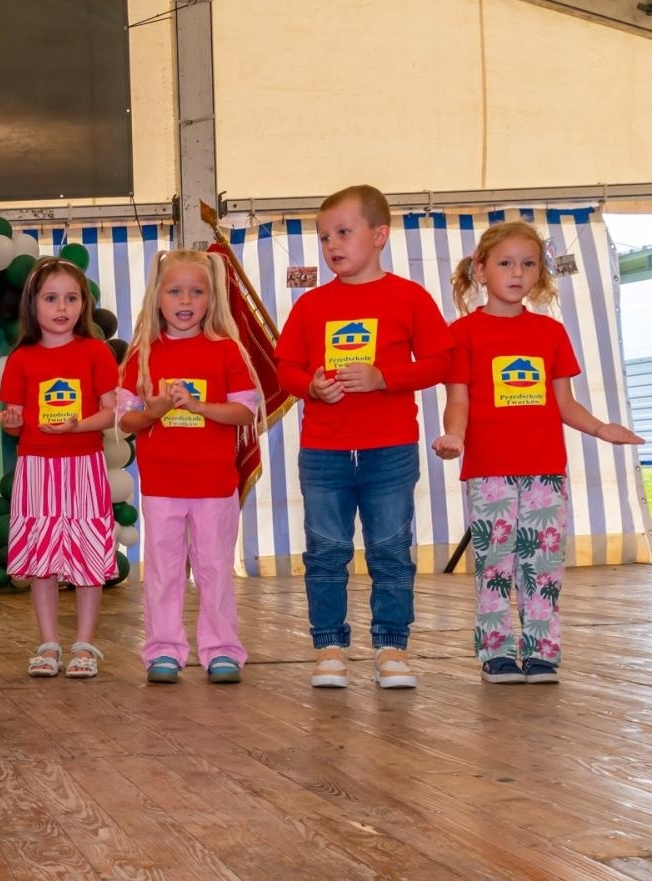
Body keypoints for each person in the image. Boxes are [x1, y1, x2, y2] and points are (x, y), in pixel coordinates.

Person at [433, 221, 643, 683]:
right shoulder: (462, 333)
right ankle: (496, 654)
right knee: (495, 564)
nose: (517, 272)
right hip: (489, 472)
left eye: (528, 264)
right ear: (481, 270)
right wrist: (455, 437)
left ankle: (543, 651)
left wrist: (602, 428)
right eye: (505, 263)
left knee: (543, 565)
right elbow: (459, 400)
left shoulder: (550, 333)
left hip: (546, 470)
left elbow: (564, 403)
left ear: (540, 274)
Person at [274, 184, 456, 689]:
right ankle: (329, 644)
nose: (332, 244)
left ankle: (391, 647)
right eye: (324, 236)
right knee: (326, 550)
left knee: (391, 549)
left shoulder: (409, 297)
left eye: (343, 232)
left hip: (390, 449)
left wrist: (385, 378)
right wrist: (309, 386)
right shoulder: (311, 306)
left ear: (379, 235)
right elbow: (284, 368)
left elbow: (442, 360)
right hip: (324, 452)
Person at [119, 250, 264, 684]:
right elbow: (125, 420)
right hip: (162, 485)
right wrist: (156, 409)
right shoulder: (141, 355)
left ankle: (222, 651)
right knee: (162, 572)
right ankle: (163, 650)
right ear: (158, 297)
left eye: (197, 291)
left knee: (216, 570)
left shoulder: (226, 352)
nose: (186, 300)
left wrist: (198, 405)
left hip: (215, 486)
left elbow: (245, 415)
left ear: (211, 298)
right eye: (175, 290)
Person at [0, 257, 119, 679]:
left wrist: (78, 426)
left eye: (71, 298)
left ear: (83, 304)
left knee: (87, 556)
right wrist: (12, 422)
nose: (61, 308)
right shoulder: (21, 359)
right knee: (42, 557)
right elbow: (13, 416)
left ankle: (84, 645)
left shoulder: (96, 352)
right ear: (34, 305)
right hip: (36, 468)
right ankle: (48, 644)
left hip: (85, 464)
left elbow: (111, 412)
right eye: (51, 298)